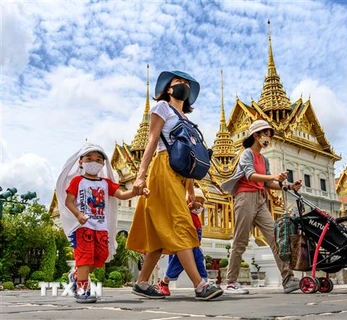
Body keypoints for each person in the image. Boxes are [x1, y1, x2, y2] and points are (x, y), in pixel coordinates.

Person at [126, 70, 223, 301]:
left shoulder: (187, 119)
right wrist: (141, 175)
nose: (184, 86)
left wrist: (190, 190)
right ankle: (199, 285)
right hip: (162, 169)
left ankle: (141, 283)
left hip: (180, 175)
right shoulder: (161, 108)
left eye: (186, 84)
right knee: (181, 223)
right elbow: (151, 141)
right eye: (179, 82)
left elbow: (189, 159)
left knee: (161, 233)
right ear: (168, 88)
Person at [56, 143, 149, 303]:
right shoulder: (78, 181)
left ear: (103, 163)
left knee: (100, 257)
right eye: (89, 158)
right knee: (85, 258)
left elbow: (121, 194)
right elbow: (69, 201)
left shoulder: (106, 183)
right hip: (84, 227)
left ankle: (77, 275)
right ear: (81, 162)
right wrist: (78, 215)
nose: (93, 161)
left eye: (98, 159)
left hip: (101, 227)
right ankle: (82, 289)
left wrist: (135, 191)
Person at [221, 120, 303, 294]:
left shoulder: (264, 160)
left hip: (260, 199)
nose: (268, 138)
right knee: (241, 240)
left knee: (275, 239)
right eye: (265, 134)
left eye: (269, 134)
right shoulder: (247, 154)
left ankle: (288, 279)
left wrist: (287, 186)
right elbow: (250, 176)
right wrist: (273, 176)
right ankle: (231, 282)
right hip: (245, 198)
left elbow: (267, 184)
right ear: (256, 136)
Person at [158, 187, 209, 296]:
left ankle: (204, 282)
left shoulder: (196, 217)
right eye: (197, 201)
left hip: (195, 244)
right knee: (177, 263)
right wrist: (189, 207)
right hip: (183, 243)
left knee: (199, 260)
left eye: (201, 202)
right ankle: (164, 282)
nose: (199, 205)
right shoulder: (184, 211)